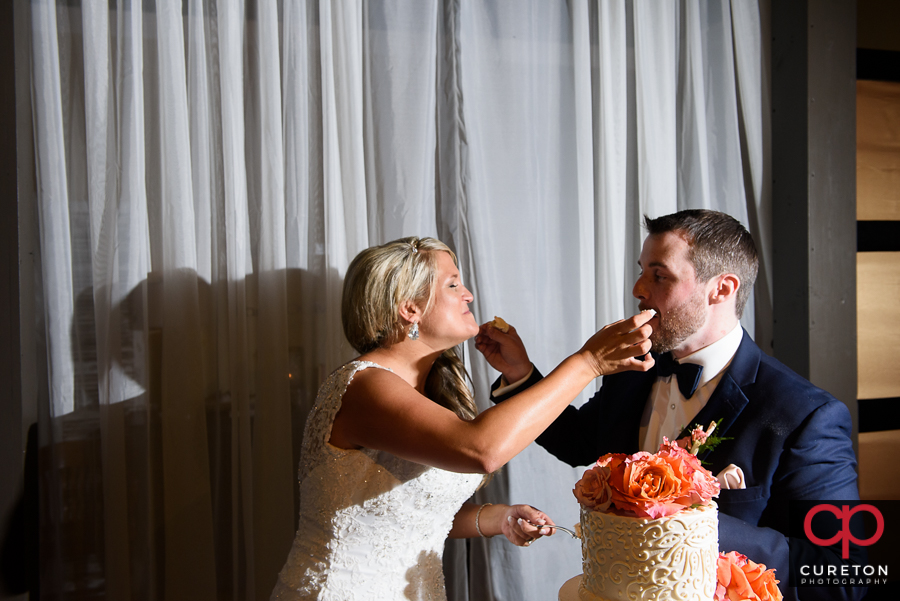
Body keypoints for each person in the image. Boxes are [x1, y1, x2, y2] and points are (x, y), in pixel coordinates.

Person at [478, 210, 864, 601]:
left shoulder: (808, 415)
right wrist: (522, 375)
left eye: (659, 275)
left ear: (722, 288)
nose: (638, 288)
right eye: (642, 271)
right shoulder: (632, 368)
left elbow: (847, 572)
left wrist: (691, 524)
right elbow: (579, 442)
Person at [270, 236, 654, 601]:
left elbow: (403, 515)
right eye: (453, 285)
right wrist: (588, 363)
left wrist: (498, 518)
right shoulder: (364, 387)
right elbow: (481, 449)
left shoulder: (419, 392)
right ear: (409, 308)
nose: (468, 294)